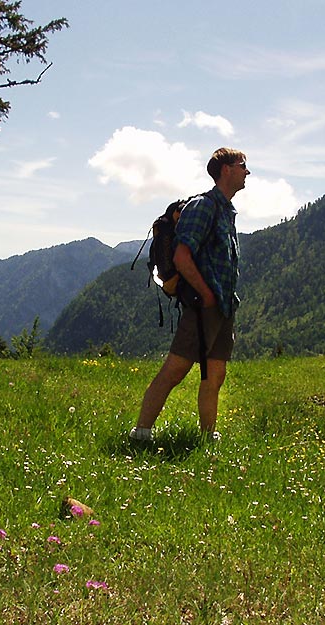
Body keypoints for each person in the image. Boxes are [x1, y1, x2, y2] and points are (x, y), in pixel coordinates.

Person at [129, 147, 248, 442]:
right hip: (203, 304)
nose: (247, 172)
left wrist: (217, 301)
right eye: (242, 165)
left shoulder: (226, 211)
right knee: (177, 368)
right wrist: (206, 295)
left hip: (222, 306)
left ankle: (208, 436)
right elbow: (182, 256)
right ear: (226, 170)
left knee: (215, 373)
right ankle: (141, 432)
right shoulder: (204, 207)